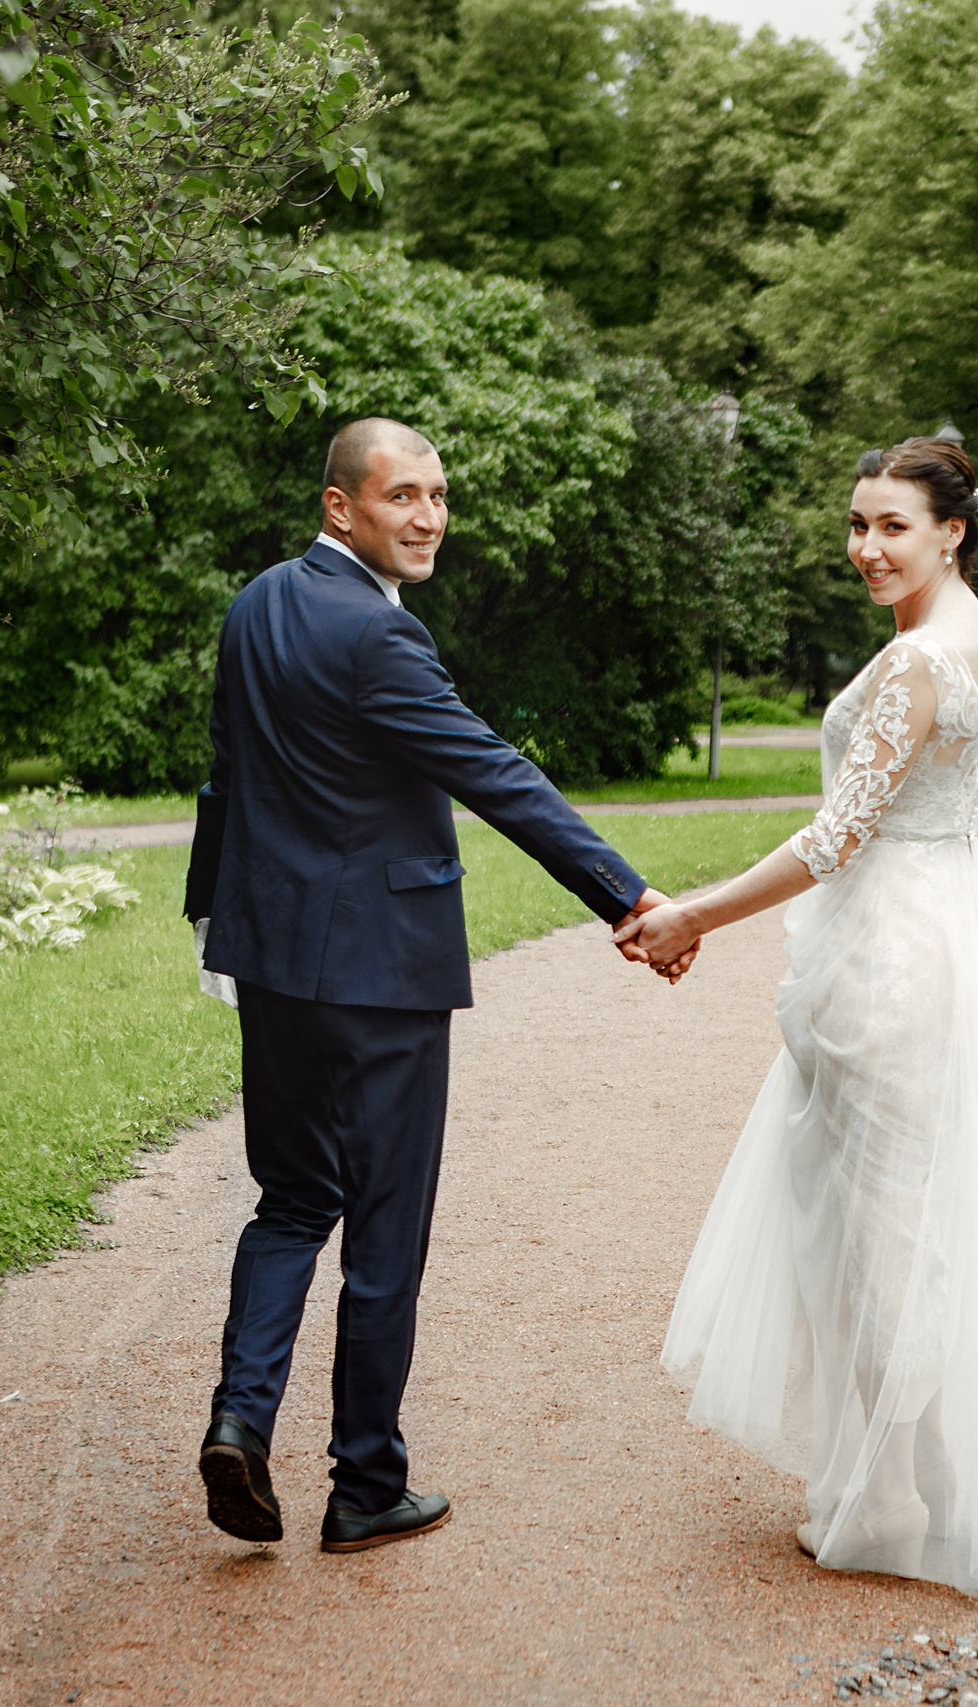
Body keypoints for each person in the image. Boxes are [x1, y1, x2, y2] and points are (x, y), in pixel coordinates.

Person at [183, 418, 690, 1555]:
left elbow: (226, 779)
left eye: (438, 496)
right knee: (386, 1225)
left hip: (274, 962)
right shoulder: (378, 634)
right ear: (339, 506)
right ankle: (365, 1485)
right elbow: (495, 774)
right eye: (401, 496)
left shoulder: (256, 604)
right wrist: (627, 895)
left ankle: (238, 1420)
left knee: (291, 1199)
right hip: (382, 975)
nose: (428, 518)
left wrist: (217, 924)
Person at [630, 437, 978, 1600]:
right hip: (944, 931)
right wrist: (929, 879)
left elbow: (834, 837)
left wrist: (690, 914)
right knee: (906, 1219)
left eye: (892, 525)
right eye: (857, 524)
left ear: (952, 530)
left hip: (890, 956)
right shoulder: (976, 641)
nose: (866, 547)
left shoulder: (915, 661)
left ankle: (891, 1495)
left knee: (880, 1233)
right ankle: (934, 1469)